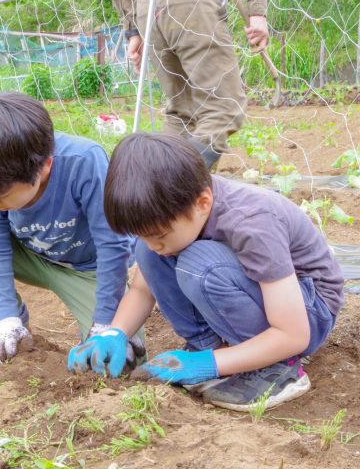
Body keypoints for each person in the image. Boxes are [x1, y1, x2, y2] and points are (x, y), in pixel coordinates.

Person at [68, 132, 344, 411]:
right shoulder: (179, 213)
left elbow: (294, 335)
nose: (154, 244)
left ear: (203, 203)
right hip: (262, 297)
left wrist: (206, 365)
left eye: (159, 235)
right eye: (144, 235)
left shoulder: (252, 224)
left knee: (199, 265)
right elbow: (142, 289)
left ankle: (278, 369)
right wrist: (114, 334)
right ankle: (212, 348)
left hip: (307, 311)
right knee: (149, 255)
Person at [0, 92, 144, 363]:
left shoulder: (84, 163)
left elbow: (112, 245)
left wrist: (105, 322)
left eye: (0, 198)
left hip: (87, 269)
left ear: (45, 167)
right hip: (31, 253)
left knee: (118, 359)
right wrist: (5, 318)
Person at [113, 0, 269, 169]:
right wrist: (257, 7)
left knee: (182, 113)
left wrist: (133, 30)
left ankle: (157, 179)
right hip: (191, 1)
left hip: (148, 7)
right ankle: (178, 180)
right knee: (224, 106)